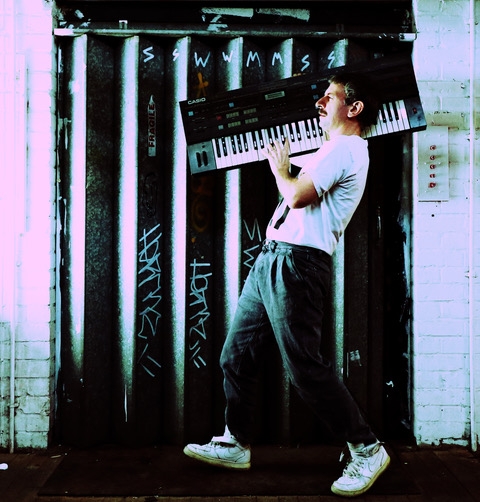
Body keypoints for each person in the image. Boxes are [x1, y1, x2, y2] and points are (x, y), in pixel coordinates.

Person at [183, 71, 390, 498]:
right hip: (272, 259)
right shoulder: (329, 149)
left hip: (297, 264)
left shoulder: (347, 149)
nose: (320, 103)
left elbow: (296, 195)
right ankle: (236, 442)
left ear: (354, 108)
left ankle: (367, 448)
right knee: (236, 354)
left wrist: (280, 170)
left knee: (305, 368)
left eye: (329, 97)